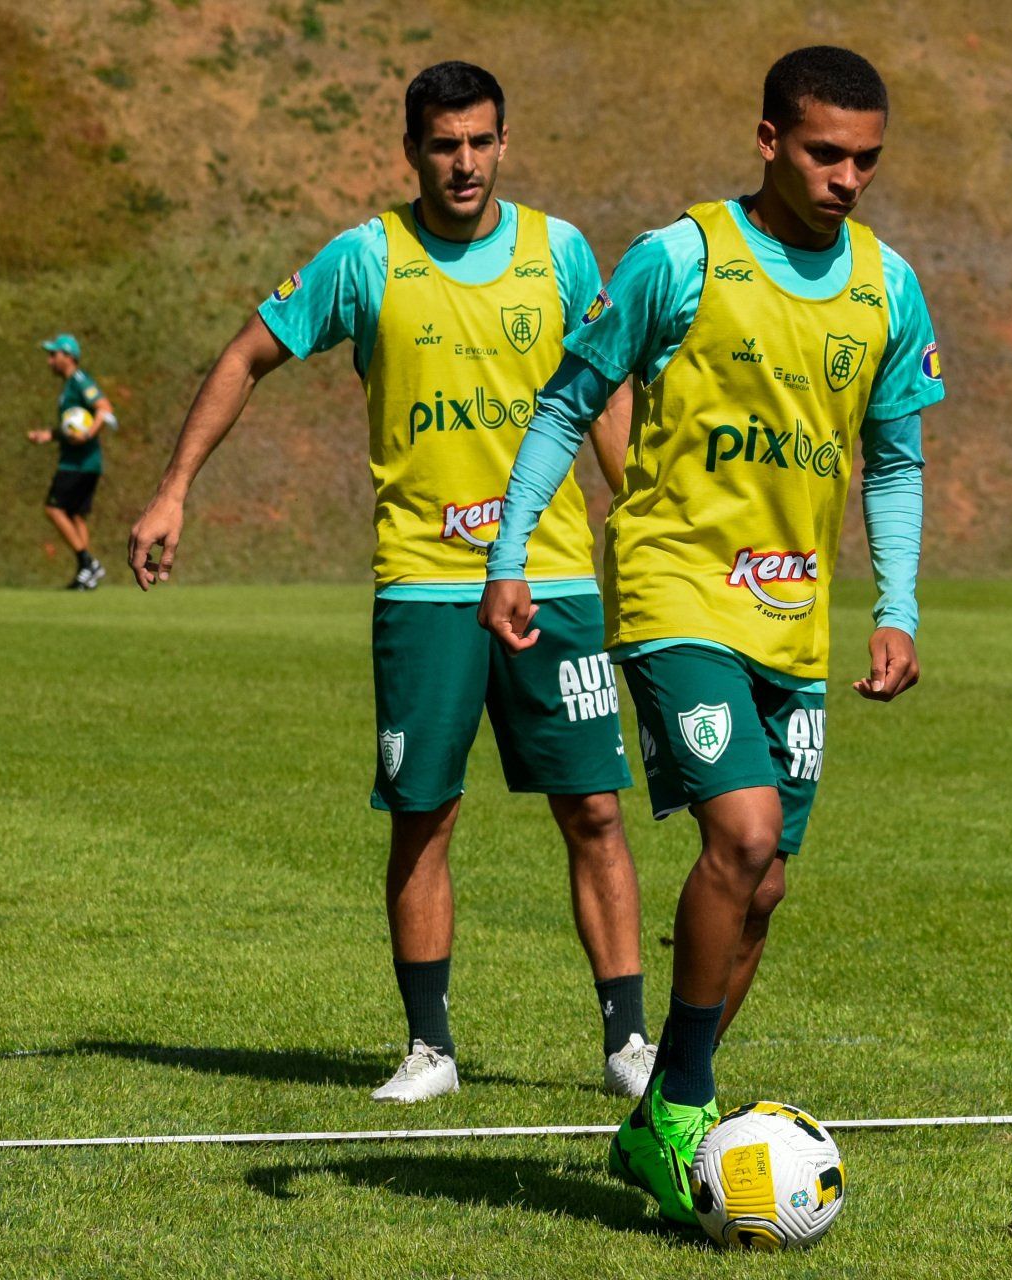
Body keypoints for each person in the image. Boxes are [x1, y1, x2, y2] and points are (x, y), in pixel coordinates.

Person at [127, 62, 656, 1103]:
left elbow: (603, 394)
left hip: (554, 577)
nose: (464, 162)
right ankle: (430, 1049)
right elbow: (244, 356)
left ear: (504, 143)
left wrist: (638, 518)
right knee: (425, 810)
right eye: (444, 143)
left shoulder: (560, 253)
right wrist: (174, 488)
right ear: (412, 149)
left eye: (481, 141)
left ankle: (628, 1043)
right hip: (425, 584)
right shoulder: (365, 258)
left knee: (594, 807)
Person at [480, 45, 944, 1224]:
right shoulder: (679, 258)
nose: (849, 177)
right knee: (739, 834)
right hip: (674, 587)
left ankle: (657, 1122)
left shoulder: (888, 287)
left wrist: (896, 604)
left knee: (767, 881)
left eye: (868, 158)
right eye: (827, 152)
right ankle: (685, 1097)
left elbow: (893, 459)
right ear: (770, 140)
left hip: (793, 612)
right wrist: (510, 552)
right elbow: (568, 400)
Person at [31, 333, 114, 590]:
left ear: (68, 356)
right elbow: (72, 427)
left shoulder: (80, 381)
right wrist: (51, 434)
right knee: (76, 516)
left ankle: (87, 562)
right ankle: (86, 574)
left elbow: (104, 409)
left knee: (53, 508)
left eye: (53, 355)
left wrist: (89, 434)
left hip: (79, 463)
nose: (49, 361)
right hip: (81, 462)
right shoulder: (69, 386)